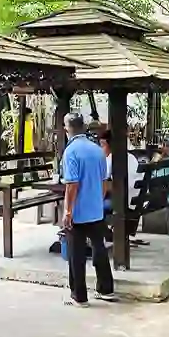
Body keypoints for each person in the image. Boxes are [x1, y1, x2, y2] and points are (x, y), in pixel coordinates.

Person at [61, 113, 116, 306]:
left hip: (78, 212)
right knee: (99, 247)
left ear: (67, 129)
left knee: (76, 253)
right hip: (96, 209)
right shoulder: (97, 150)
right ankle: (106, 289)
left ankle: (79, 295)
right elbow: (104, 183)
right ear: (83, 127)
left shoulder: (71, 152)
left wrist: (68, 212)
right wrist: (97, 201)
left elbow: (71, 185)